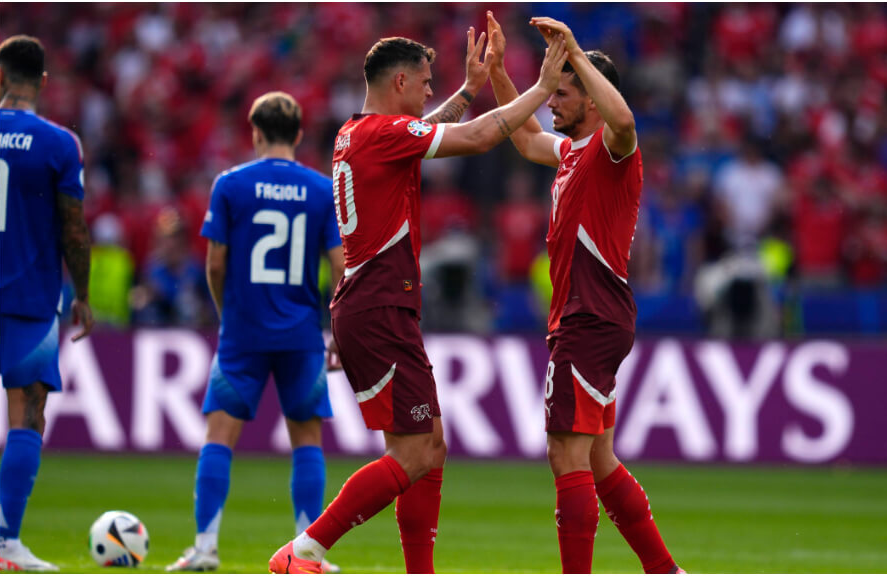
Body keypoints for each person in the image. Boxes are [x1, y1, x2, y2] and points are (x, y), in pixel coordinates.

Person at [268, 26, 570, 575]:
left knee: (431, 445)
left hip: (377, 306)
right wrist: (542, 87)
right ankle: (304, 552)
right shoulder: (381, 135)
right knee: (411, 454)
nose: (432, 91)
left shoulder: (358, 132)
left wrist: (470, 88)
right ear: (400, 80)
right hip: (379, 308)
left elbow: (426, 129)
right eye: (427, 83)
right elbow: (478, 139)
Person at [486, 14, 684, 574]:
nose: (553, 101)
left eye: (565, 92)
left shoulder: (614, 148)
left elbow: (623, 117)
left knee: (564, 454)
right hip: (591, 315)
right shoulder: (572, 152)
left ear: (593, 100)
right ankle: (665, 569)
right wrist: (500, 71)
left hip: (588, 315)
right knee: (598, 459)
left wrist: (574, 50)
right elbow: (524, 139)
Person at [166, 92, 345, 573]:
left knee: (219, 437)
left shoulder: (230, 185)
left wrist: (228, 314)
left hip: (242, 334)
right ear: (300, 135)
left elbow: (216, 263)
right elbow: (339, 266)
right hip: (301, 334)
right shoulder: (320, 189)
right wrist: (335, 326)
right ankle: (309, 554)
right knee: (307, 440)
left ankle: (204, 548)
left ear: (255, 133)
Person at [0, 35, 94, 572]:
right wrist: (81, 293)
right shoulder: (59, 143)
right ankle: (5, 542)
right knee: (26, 416)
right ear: (44, 83)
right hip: (29, 297)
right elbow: (74, 229)